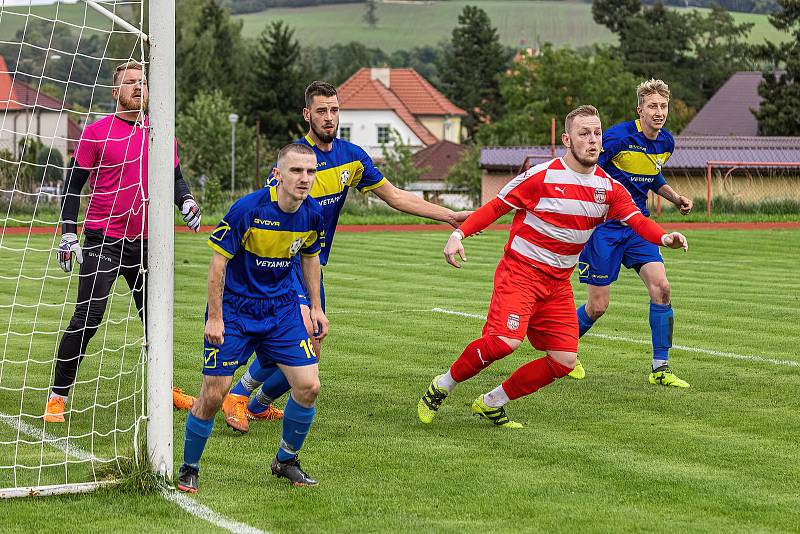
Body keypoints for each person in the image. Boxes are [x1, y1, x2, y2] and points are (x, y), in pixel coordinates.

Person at [215, 80, 471, 433]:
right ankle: (240, 396)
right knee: (304, 337)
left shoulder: (351, 157)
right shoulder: (296, 161)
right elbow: (269, 216)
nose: (329, 117)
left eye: (334, 110)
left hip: (312, 267)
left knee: (312, 349)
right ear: (307, 115)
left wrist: (449, 216)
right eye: (321, 111)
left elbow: (395, 196)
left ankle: (256, 404)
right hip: (281, 267)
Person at [417, 105, 688, 428]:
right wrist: (459, 234)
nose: (592, 140)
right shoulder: (541, 177)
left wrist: (664, 238)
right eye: (583, 133)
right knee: (504, 343)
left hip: (558, 284)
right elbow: (495, 208)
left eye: (597, 133)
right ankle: (442, 384)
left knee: (563, 360)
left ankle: (492, 402)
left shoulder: (609, 189)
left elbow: (637, 222)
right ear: (567, 140)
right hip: (520, 273)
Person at [44, 61, 200, 423]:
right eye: (129, 82)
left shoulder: (162, 132)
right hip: (103, 240)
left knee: (156, 319)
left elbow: (176, 179)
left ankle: (165, 388)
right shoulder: (96, 133)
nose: (137, 87)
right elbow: (72, 187)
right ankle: (57, 396)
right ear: (115, 92)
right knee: (89, 316)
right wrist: (69, 232)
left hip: (148, 243)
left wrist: (187, 200)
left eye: (142, 82)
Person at [177, 143, 328, 493]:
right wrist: (215, 317)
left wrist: (316, 307)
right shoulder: (248, 209)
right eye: (296, 171)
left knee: (309, 386)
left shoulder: (312, 214)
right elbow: (219, 263)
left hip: (281, 311)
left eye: (310, 172)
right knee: (215, 393)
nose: (305, 179)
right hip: (236, 311)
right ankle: (189, 467)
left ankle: (286, 460)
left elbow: (309, 258)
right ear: (278, 174)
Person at [570, 79, 693, 387]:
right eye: (652, 106)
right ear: (640, 110)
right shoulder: (616, 137)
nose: (659, 112)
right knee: (598, 306)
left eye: (663, 106)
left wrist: (676, 198)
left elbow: (650, 176)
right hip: (604, 229)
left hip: (638, 226)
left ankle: (660, 369)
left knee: (662, 287)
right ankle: (564, 349)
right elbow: (587, 164)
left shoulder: (666, 143)